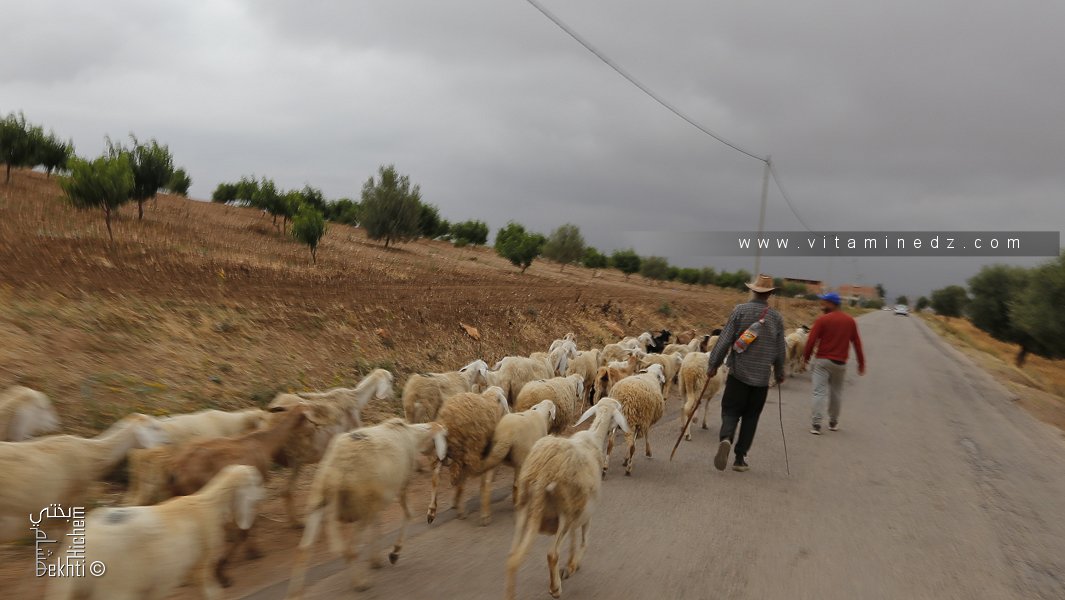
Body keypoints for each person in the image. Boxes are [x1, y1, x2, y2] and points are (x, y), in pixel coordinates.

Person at [706, 274, 787, 472]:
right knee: (751, 417)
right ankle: (740, 459)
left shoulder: (739, 311)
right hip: (761, 380)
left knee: (730, 410)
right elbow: (780, 350)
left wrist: (713, 364)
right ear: (769, 294)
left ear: (753, 291)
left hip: (738, 375)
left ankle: (726, 438)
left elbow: (724, 340)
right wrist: (779, 372)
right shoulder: (776, 318)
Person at [801, 291, 866, 434]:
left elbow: (811, 340)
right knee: (836, 393)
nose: (822, 305)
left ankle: (816, 424)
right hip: (840, 363)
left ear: (832, 304)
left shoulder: (822, 320)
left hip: (822, 361)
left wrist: (805, 358)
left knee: (819, 392)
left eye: (824, 303)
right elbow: (857, 343)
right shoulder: (850, 321)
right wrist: (861, 363)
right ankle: (833, 422)